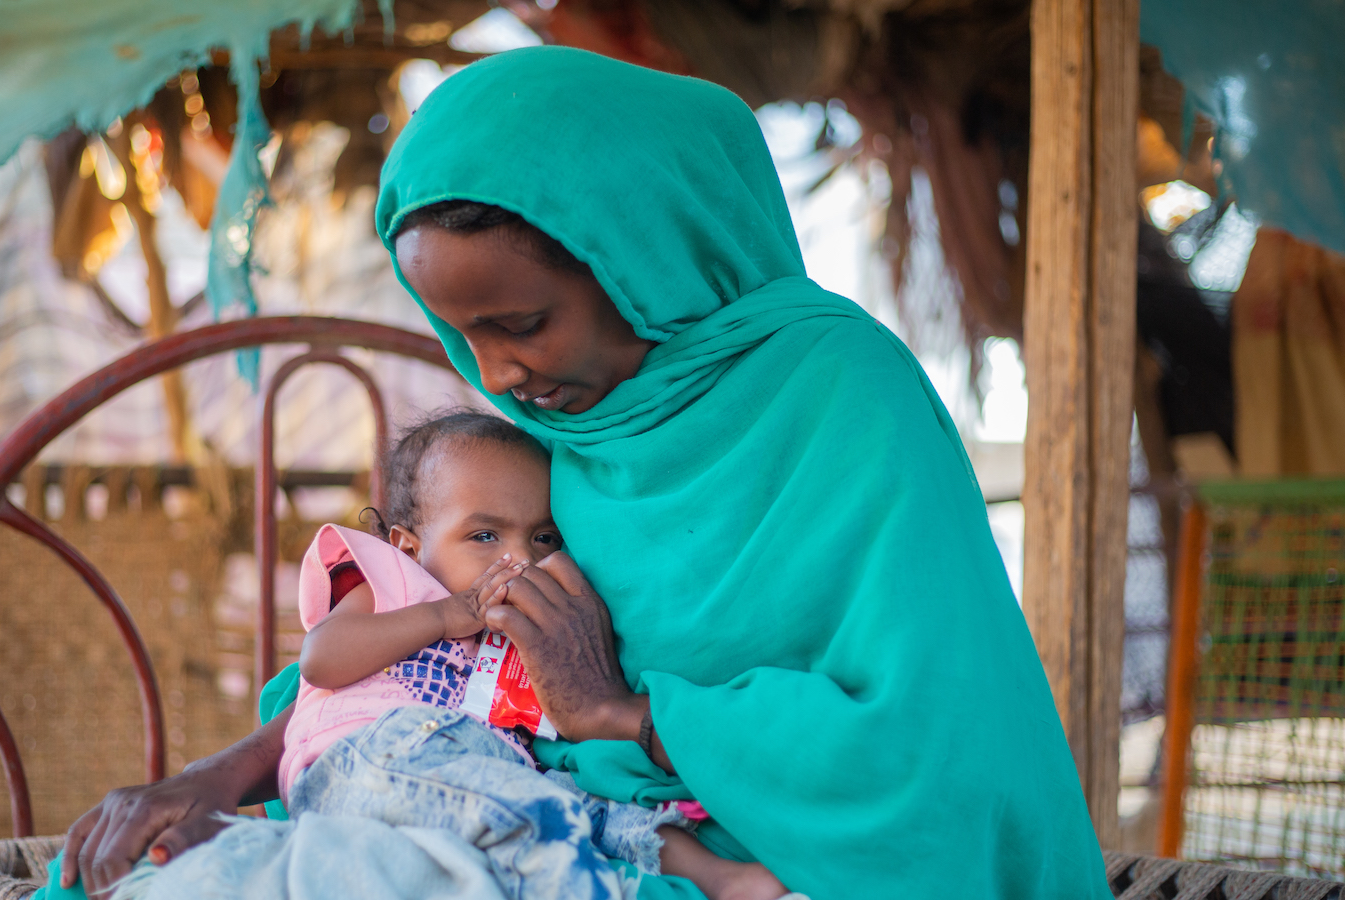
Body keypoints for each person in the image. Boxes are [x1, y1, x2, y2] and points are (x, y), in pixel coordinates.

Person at [59, 46, 1110, 899]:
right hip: (523, 824)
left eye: (522, 325)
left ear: (646, 257)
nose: (498, 374)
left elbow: (939, 758)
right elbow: (426, 677)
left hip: (788, 860)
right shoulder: (551, 437)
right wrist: (215, 775)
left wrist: (620, 715)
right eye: (461, 337)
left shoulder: (840, 400)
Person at [275, 410, 793, 900]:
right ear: (408, 547)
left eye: (543, 538)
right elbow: (321, 660)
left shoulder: (519, 636)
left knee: (592, 804)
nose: (521, 559)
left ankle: (722, 879)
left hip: (493, 776)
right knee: (526, 812)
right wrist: (445, 616)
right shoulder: (395, 585)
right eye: (484, 535)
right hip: (370, 762)